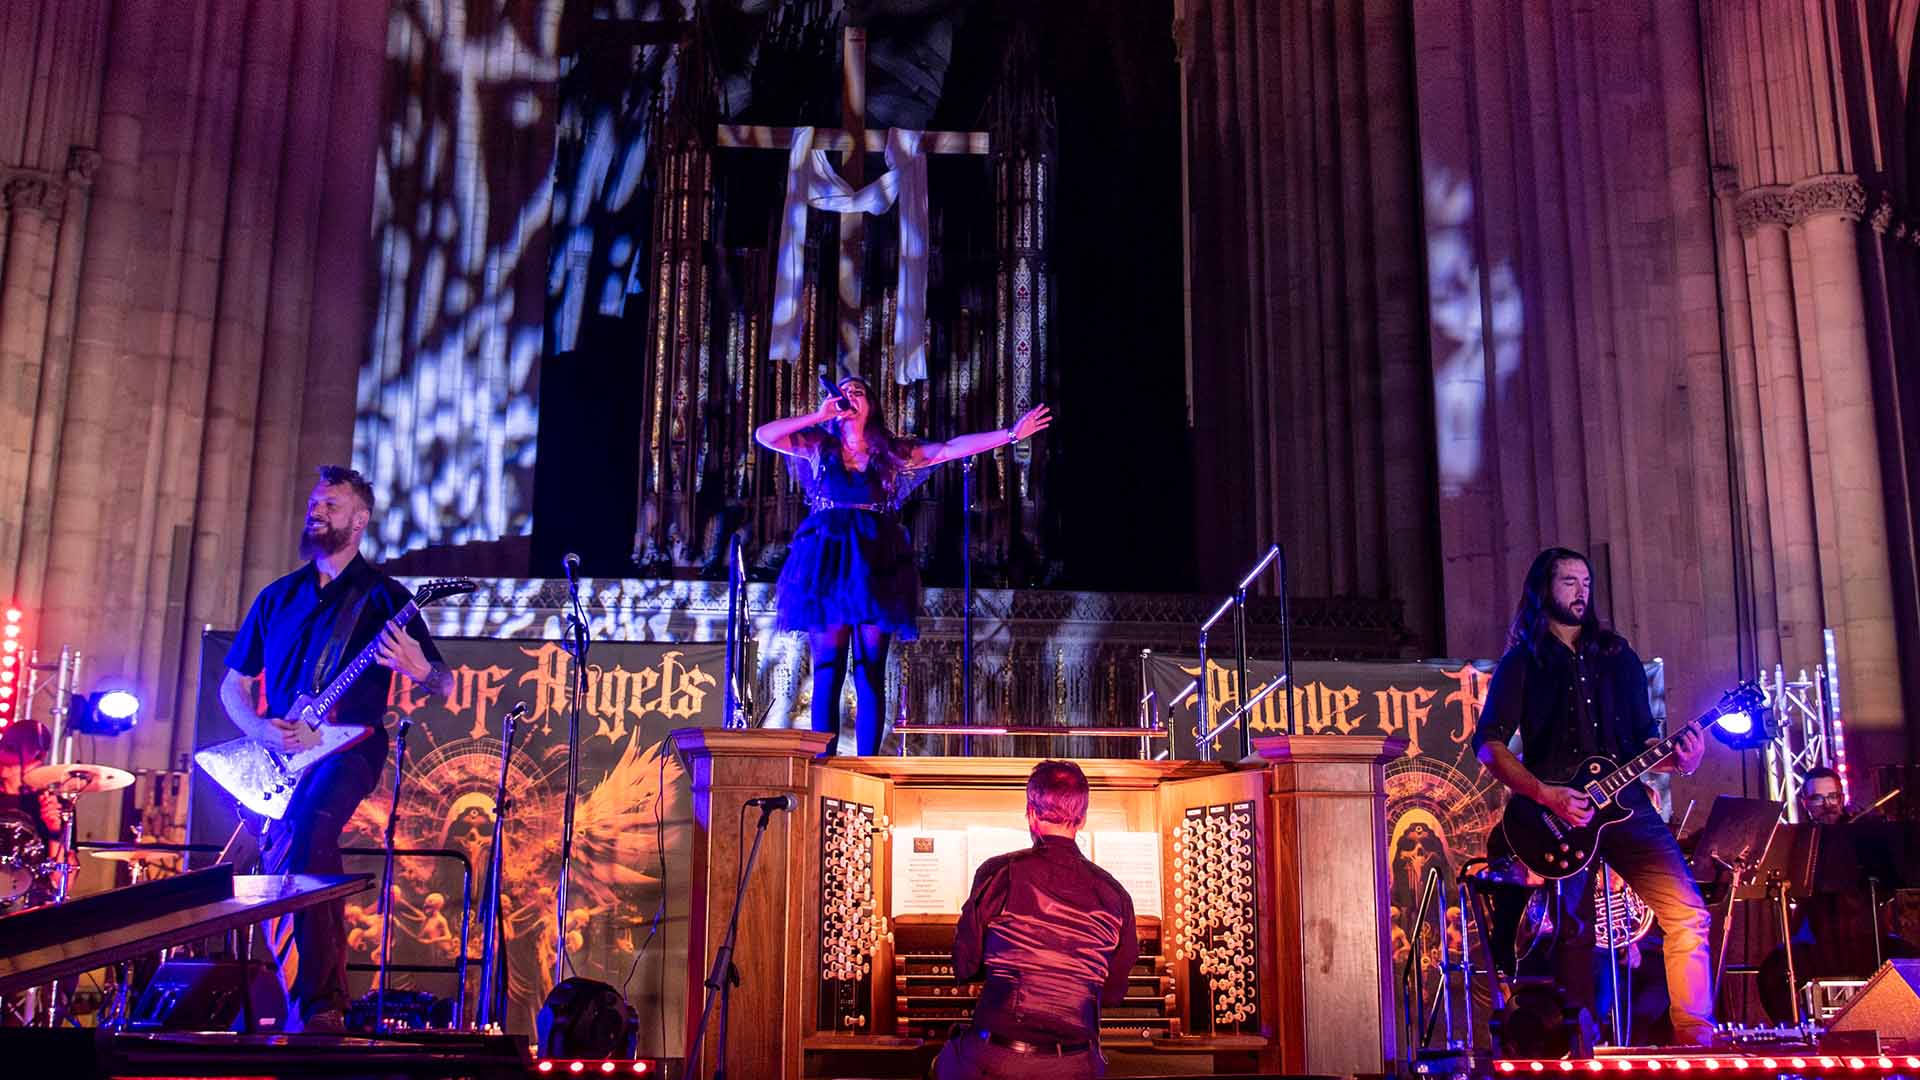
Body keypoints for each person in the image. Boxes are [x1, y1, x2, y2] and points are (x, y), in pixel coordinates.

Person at [218, 464, 453, 1033]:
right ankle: (291, 998)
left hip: (350, 750)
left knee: (312, 833)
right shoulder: (278, 596)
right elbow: (233, 685)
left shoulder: (385, 597)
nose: (316, 511)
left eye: (330, 505)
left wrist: (420, 669)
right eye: (314, 503)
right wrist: (259, 729)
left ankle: (324, 1002)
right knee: (275, 860)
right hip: (282, 753)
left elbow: (442, 683)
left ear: (360, 520)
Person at [1473, 547, 1715, 1047]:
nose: (1581, 592)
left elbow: (1648, 741)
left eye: (1586, 582)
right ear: (1544, 589)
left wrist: (1684, 758)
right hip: (1559, 813)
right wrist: (1546, 795)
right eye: (1569, 582)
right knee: (1574, 935)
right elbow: (1488, 743)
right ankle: (1574, 1045)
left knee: (1688, 913)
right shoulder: (1523, 662)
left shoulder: (1617, 654)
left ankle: (1696, 1038)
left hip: (1627, 808)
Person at [756, 376, 1051, 755]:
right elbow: (765, 435)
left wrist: (1011, 433)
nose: (849, 397)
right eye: (843, 392)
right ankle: (823, 765)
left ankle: (866, 763)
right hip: (827, 562)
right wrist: (817, 414)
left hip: (877, 561)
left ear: (873, 405)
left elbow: (948, 449)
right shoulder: (819, 446)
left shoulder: (889, 452)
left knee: (869, 670)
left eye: (858, 391)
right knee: (828, 669)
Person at [934, 760, 1137, 1080]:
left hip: (997, 1061)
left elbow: (965, 965)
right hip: (1075, 1066)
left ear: (1030, 812)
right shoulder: (1115, 894)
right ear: (1082, 818)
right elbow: (1112, 994)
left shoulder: (998, 873)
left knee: (939, 1065)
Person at [1755, 767, 1918, 1022]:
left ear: (1842, 798)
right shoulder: (1799, 841)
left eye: (1833, 797)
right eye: (1818, 799)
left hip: (1869, 942)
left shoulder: (1864, 833)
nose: (1828, 805)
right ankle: (1800, 1032)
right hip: (1819, 946)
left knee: (1913, 964)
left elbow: (1890, 877)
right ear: (1805, 803)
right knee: (1772, 973)